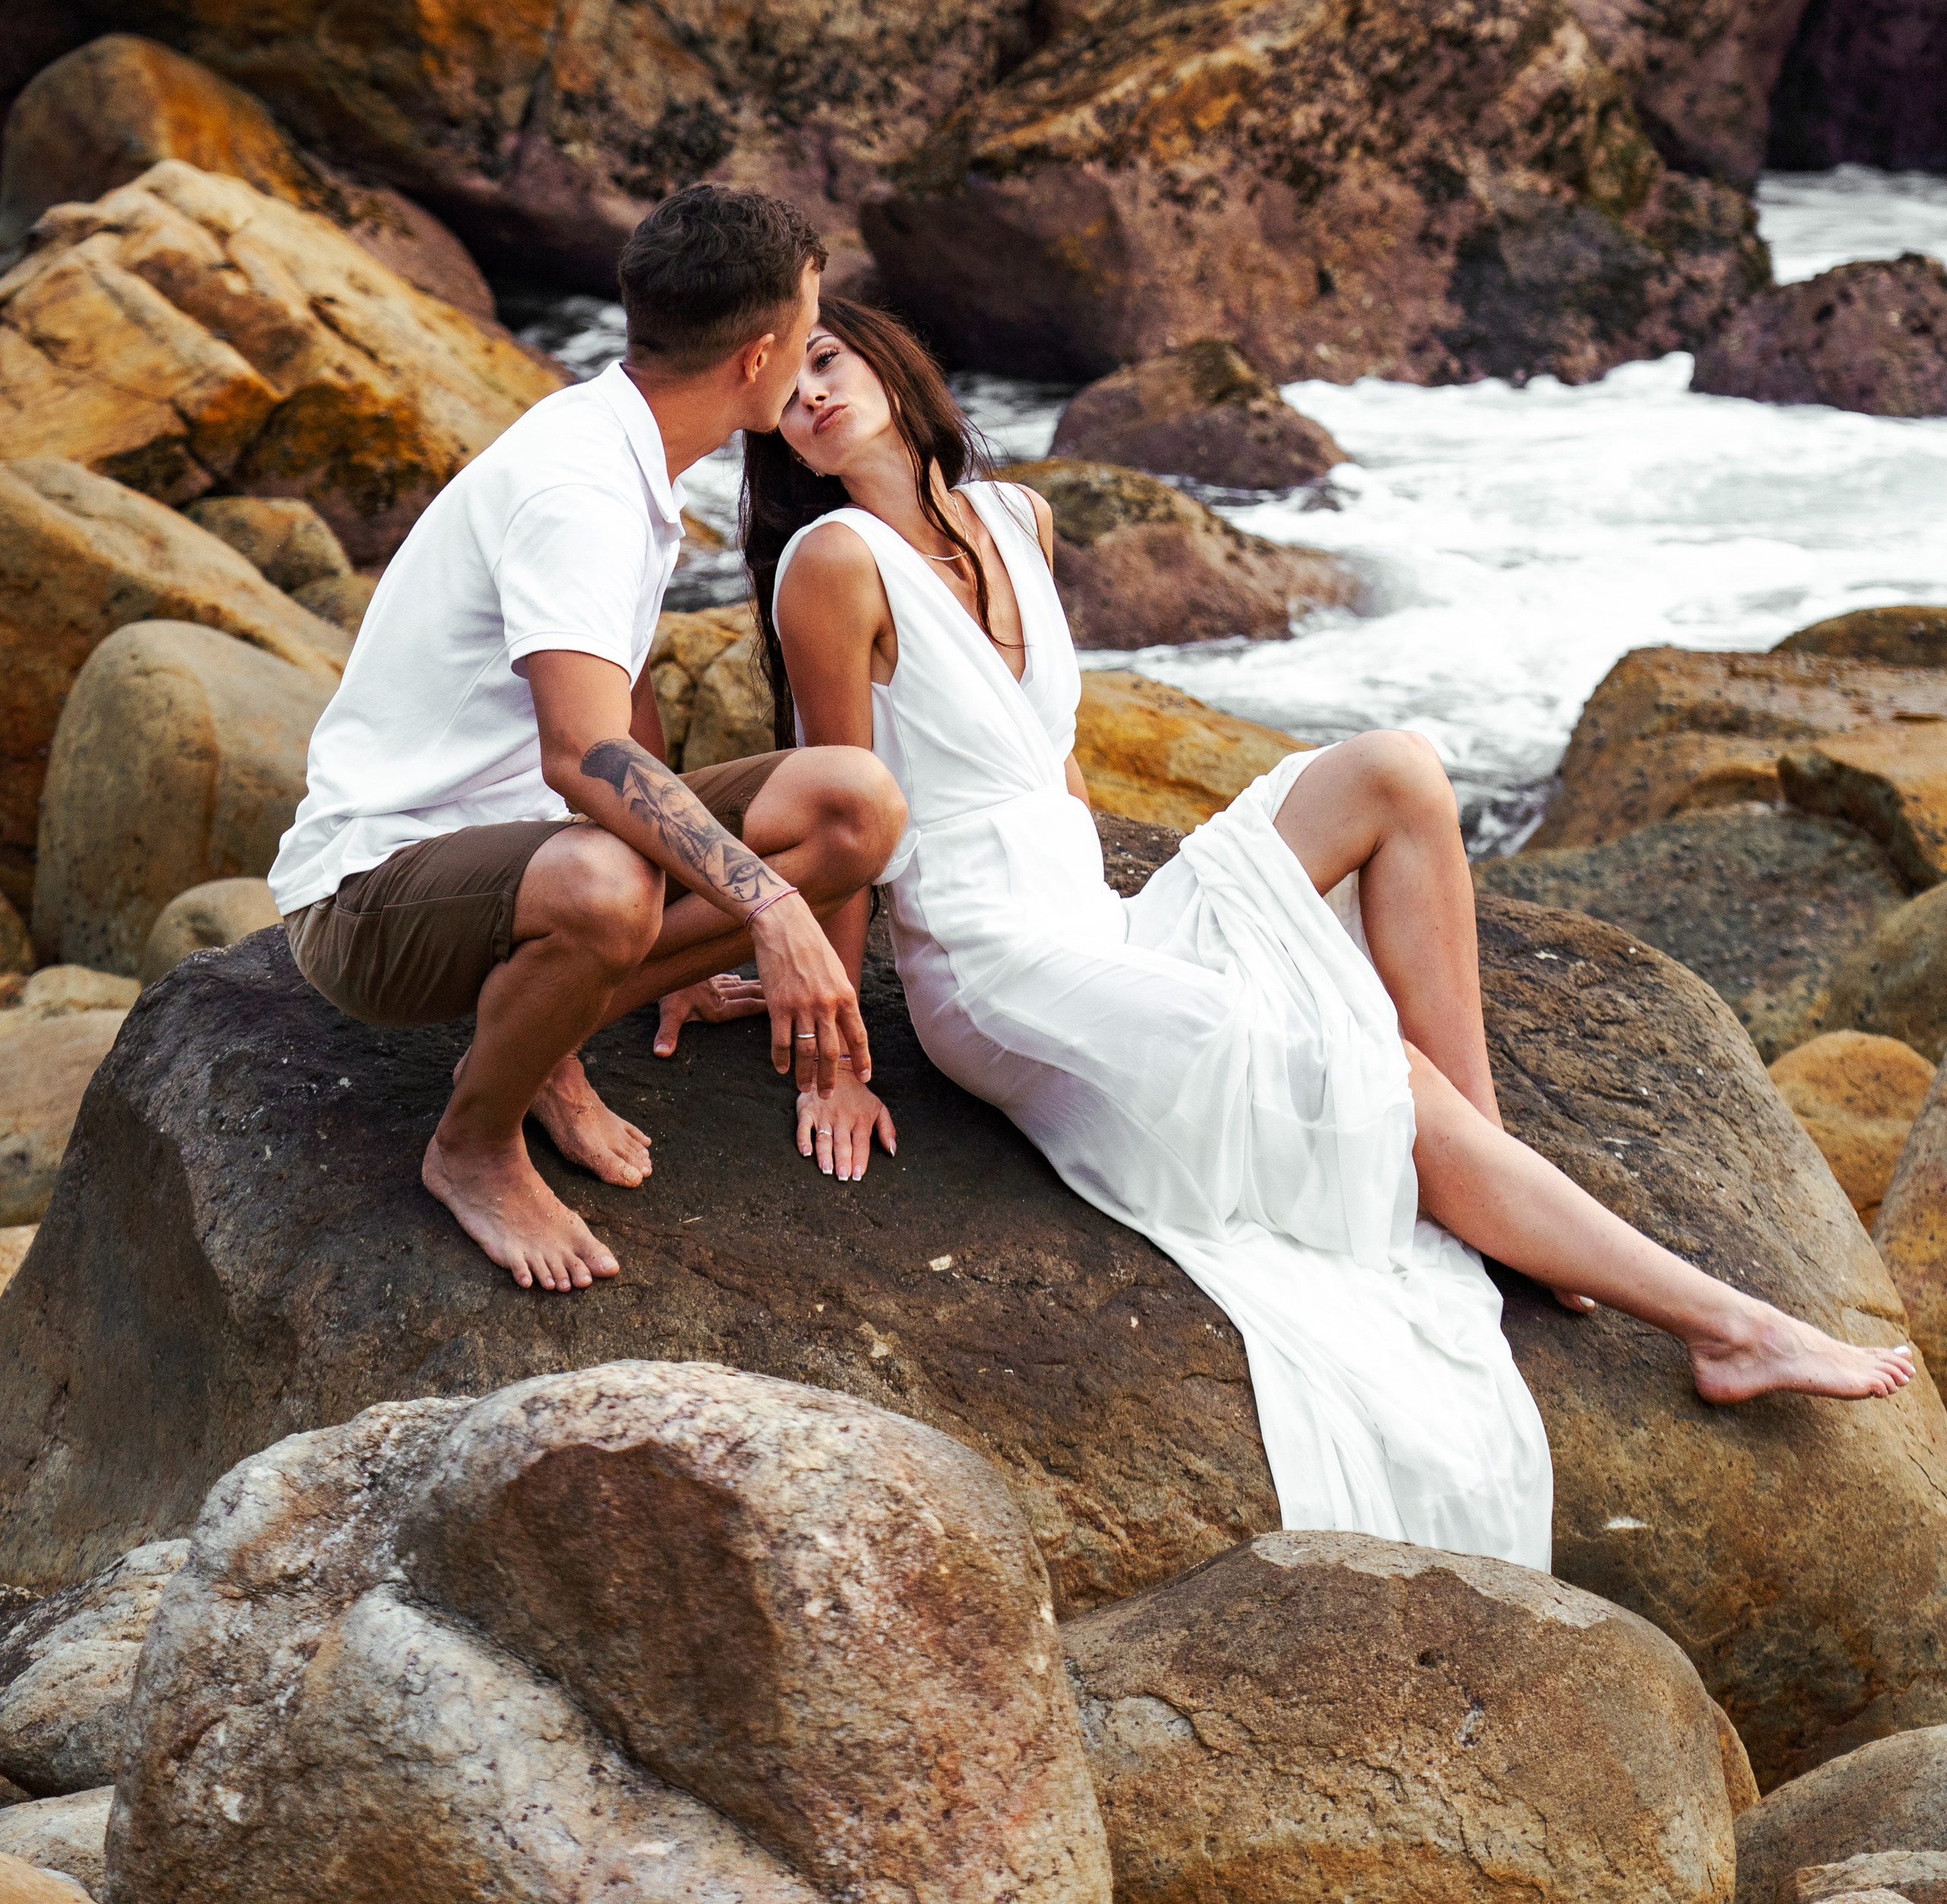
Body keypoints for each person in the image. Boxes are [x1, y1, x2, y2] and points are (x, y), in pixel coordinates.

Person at [736, 297, 1913, 1568]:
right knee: (1333, 1050)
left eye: (825, 357)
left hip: (1098, 919)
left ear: (888, 359)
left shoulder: (1019, 518)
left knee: (1398, 770)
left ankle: (1494, 1175)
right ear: (782, 445)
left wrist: (1144, 914)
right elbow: (845, 803)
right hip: (995, 964)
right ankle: (1724, 1324)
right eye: (784, 391)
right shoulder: (833, 563)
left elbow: (1054, 761)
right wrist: (835, 1038)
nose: (808, 393)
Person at [268, 189, 905, 1295]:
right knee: (610, 884)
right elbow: (584, 757)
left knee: (857, 802)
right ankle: (473, 1141)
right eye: (805, 338)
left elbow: (628, 706)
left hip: (515, 859)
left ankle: (544, 1031)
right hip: (371, 893)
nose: (809, 362)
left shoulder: (631, 451)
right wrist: (764, 907)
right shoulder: (580, 488)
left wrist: (698, 930)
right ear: (756, 359)